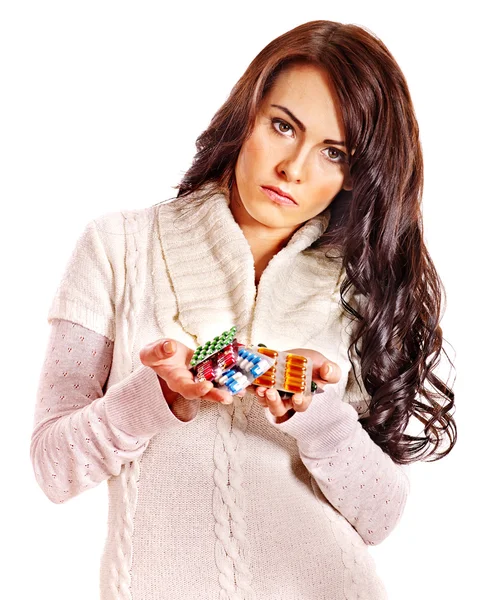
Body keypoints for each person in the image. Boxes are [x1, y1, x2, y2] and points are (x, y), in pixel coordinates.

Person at [30, 19, 456, 600]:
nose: (294, 168)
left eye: (333, 152)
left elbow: (380, 517)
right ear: (247, 117)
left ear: (355, 175)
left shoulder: (359, 288)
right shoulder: (117, 246)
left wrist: (319, 413)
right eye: (284, 126)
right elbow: (54, 469)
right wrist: (160, 397)